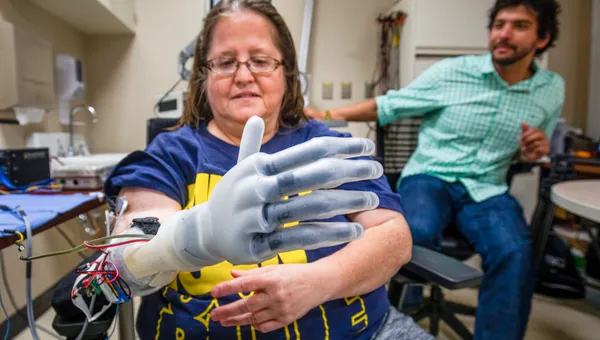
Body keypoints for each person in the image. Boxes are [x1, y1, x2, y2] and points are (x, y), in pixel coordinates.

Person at [103, 0, 434, 339]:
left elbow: (393, 238)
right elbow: (127, 255)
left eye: (261, 61)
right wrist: (197, 235)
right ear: (203, 76)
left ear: (286, 73)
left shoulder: (326, 146)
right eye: (225, 62)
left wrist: (318, 282)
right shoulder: (171, 153)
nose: (244, 75)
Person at [305, 0, 564, 339]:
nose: (503, 33)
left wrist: (535, 150)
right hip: (431, 177)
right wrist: (325, 116)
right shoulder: (453, 72)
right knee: (412, 233)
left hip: (487, 187)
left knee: (514, 252)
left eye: (519, 25)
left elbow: (529, 151)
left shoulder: (550, 89)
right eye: (499, 24)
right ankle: (394, 313)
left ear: (542, 38)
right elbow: (390, 105)